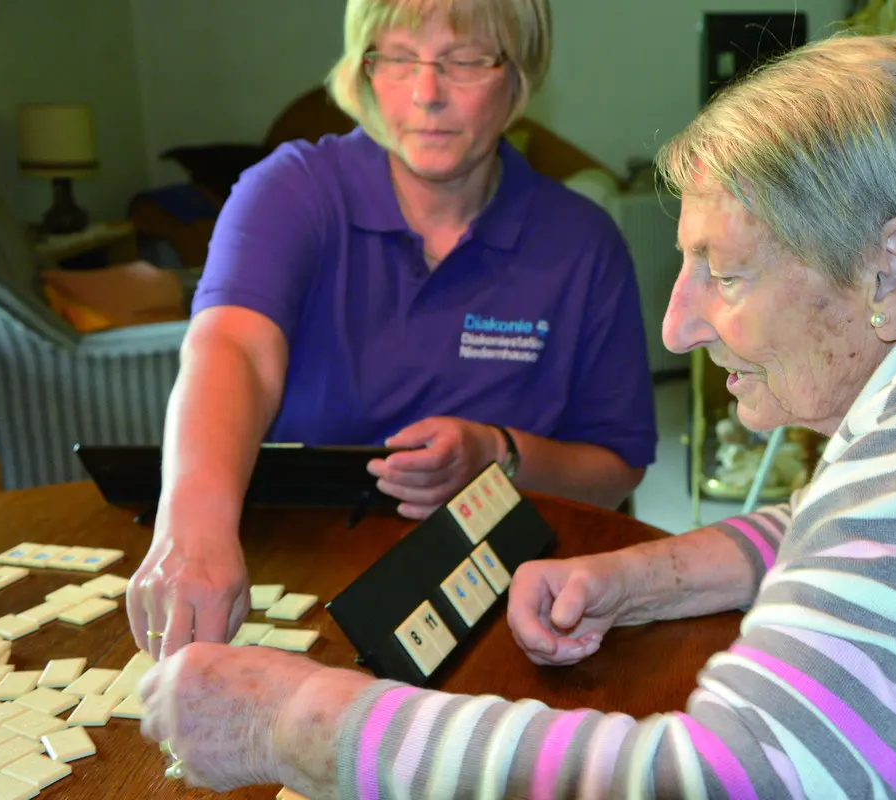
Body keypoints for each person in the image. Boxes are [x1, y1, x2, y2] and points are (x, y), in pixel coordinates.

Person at [136, 33, 896, 798]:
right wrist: (644, 575)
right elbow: (854, 532)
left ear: (890, 268)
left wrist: (307, 718)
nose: (677, 325)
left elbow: (717, 783)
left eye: (724, 270)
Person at [126, 0, 658, 659]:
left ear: (518, 74)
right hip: (294, 583)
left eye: (464, 61)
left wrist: (497, 454)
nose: (427, 93)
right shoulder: (290, 191)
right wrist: (194, 525)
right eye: (398, 58)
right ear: (363, 68)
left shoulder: (582, 242)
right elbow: (233, 349)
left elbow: (615, 468)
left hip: (506, 604)